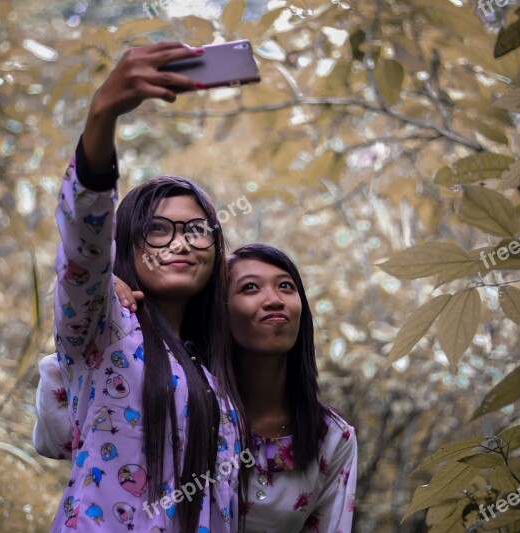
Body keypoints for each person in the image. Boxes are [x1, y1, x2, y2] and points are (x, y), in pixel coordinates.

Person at [33, 42, 248, 533]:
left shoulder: (214, 367)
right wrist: (103, 113)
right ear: (127, 244)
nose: (181, 244)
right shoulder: (104, 329)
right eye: (158, 229)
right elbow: (84, 248)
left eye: (198, 231)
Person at [115, 243, 358, 532]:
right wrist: (107, 297)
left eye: (285, 286)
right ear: (218, 313)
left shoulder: (331, 437)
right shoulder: (180, 400)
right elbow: (59, 434)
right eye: (251, 288)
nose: (274, 300)